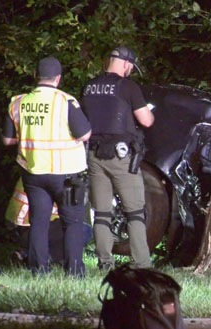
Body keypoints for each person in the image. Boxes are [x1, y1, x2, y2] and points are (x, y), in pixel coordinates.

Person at [2, 57, 91, 277]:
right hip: (66, 173)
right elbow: (85, 134)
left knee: (39, 222)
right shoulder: (66, 101)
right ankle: (74, 273)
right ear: (58, 79)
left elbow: (7, 140)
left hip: (34, 172)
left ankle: (39, 270)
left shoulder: (18, 102)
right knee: (72, 222)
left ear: (35, 76)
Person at [82, 46, 154, 271]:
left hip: (94, 155)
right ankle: (141, 264)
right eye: (131, 66)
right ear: (126, 64)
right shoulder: (129, 87)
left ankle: (105, 263)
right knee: (135, 212)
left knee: (102, 214)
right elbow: (146, 121)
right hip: (122, 158)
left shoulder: (89, 87)